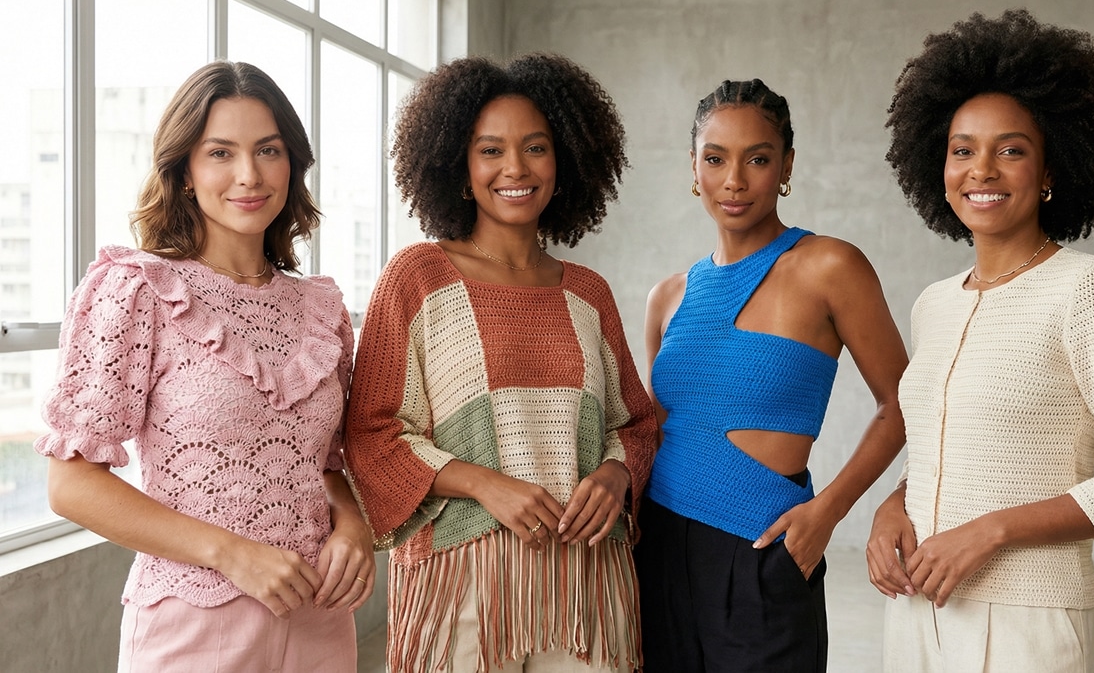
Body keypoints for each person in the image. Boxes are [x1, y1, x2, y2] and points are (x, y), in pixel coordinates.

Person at [868, 9, 1094, 672]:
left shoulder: (1087, 290)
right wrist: (893, 504)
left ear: (1050, 170)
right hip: (914, 611)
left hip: (1028, 624)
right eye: (963, 149)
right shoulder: (934, 304)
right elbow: (945, 442)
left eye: (1010, 149)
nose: (981, 169)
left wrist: (993, 530)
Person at [35, 61, 374, 672]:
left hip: (320, 620)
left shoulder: (322, 310)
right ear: (185, 171)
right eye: (221, 152)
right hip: (194, 625)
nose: (249, 175)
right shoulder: (137, 290)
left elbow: (325, 464)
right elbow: (71, 484)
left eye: (268, 150)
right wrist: (230, 553)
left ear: (292, 163)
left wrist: (351, 524)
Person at [344, 52, 657, 673]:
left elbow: (637, 424)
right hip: (462, 587)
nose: (515, 167)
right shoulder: (418, 278)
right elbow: (372, 432)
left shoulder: (587, 293)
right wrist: (485, 483)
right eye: (491, 150)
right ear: (459, 168)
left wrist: (616, 478)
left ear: (563, 162)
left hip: (585, 588)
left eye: (535, 147)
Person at [635, 79, 909, 672]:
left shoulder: (829, 266)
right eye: (716, 159)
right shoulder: (667, 297)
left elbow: (903, 402)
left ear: (786, 164)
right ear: (694, 167)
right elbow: (652, 433)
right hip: (656, 547)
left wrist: (829, 511)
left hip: (763, 545)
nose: (734, 180)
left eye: (757, 159)